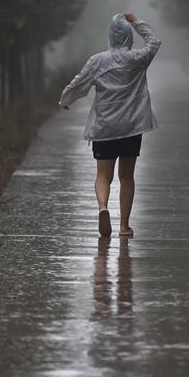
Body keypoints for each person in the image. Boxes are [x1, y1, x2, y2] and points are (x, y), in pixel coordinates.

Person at [59, 12, 161, 237]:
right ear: (128, 37)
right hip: (131, 128)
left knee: (103, 175)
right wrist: (137, 22)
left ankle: (103, 207)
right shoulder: (138, 58)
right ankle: (124, 226)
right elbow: (154, 42)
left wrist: (66, 100)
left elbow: (79, 82)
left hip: (104, 128)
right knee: (127, 177)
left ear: (110, 37)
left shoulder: (97, 61)